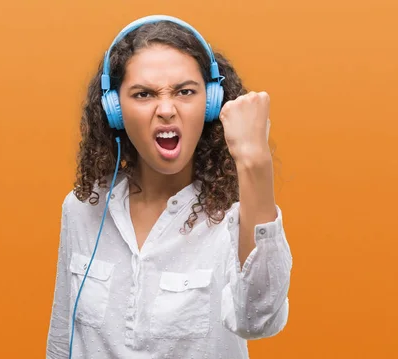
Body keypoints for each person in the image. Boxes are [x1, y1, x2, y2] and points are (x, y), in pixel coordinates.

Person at [46, 15, 292, 359]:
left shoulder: (238, 216)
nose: (166, 109)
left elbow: (259, 320)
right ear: (115, 110)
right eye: (144, 94)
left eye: (185, 91)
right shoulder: (83, 208)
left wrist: (256, 163)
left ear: (210, 103)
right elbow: (63, 335)